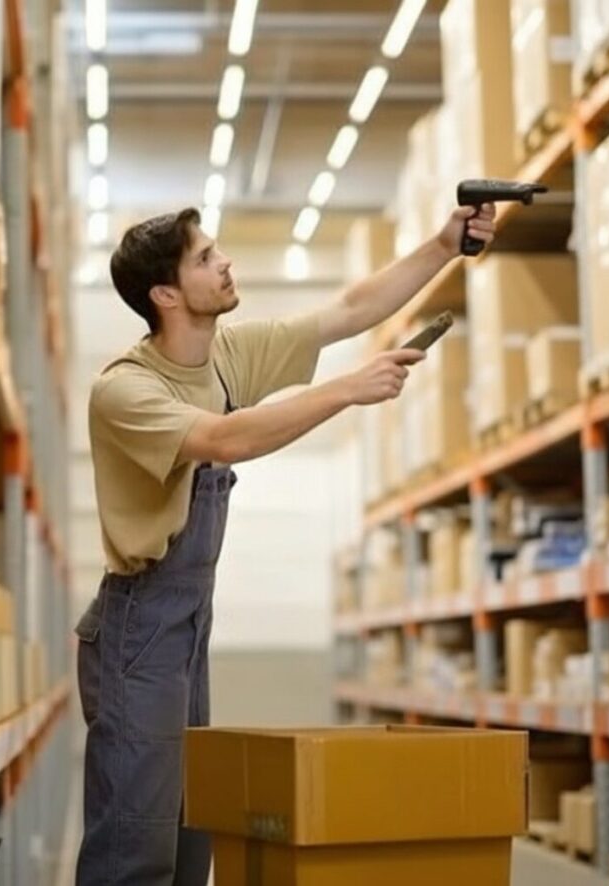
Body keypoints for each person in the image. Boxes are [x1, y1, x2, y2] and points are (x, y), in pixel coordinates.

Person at [73, 202, 497, 886]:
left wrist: (442, 246)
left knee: (188, 839)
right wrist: (347, 391)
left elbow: (347, 310)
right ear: (166, 294)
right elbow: (224, 439)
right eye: (206, 258)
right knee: (135, 842)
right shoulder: (125, 389)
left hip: (186, 624)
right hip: (137, 627)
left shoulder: (226, 355)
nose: (225, 262)